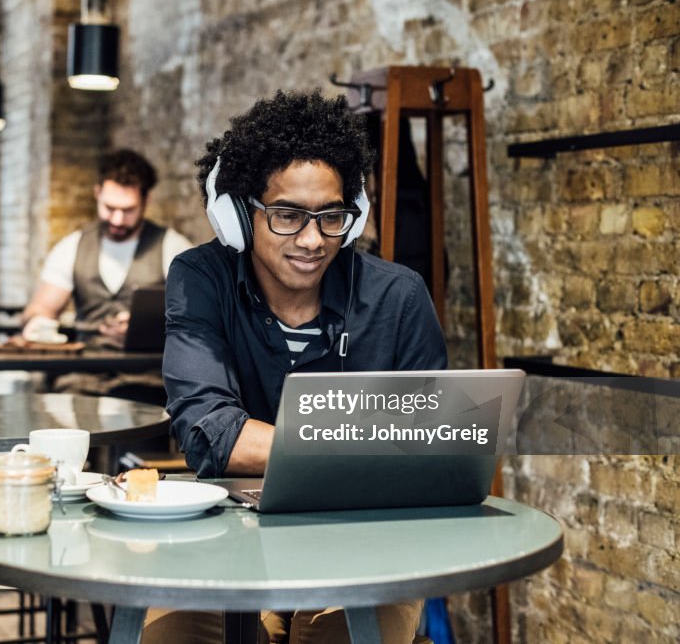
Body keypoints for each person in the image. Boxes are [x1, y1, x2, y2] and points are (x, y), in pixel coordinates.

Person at [154, 90, 447, 643]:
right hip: (230, 541)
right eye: (288, 215)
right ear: (239, 214)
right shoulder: (200, 279)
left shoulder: (399, 297)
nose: (313, 240)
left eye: (331, 217)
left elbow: (426, 450)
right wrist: (364, 440)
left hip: (368, 543)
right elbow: (211, 434)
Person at [22, 149, 192, 401]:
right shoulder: (72, 247)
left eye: (128, 210)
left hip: (147, 378)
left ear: (147, 200)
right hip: (82, 378)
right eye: (109, 207)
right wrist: (38, 322)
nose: (117, 219)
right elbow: (40, 309)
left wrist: (144, 329)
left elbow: (197, 320)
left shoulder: (173, 247)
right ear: (97, 193)